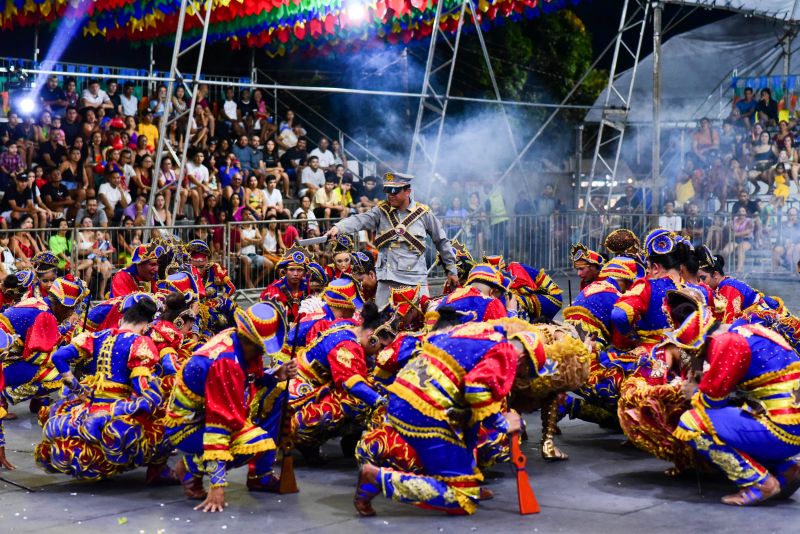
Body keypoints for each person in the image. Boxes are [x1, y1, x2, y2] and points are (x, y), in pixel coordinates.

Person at [353, 321, 545, 516]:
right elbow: (476, 390)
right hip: (424, 408)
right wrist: (502, 423)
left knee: (467, 431)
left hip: (403, 395)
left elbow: (472, 415)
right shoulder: (506, 353)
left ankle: (465, 479)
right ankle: (377, 479)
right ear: (522, 360)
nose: (520, 377)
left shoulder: (483, 333)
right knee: (463, 498)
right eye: (525, 373)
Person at [670, 290, 800, 506]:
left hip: (784, 429)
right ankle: (786, 468)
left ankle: (759, 483)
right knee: (739, 412)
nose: (696, 359)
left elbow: (711, 401)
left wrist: (693, 390)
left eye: (695, 353)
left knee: (692, 421)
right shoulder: (746, 330)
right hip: (791, 424)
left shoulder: (727, 343)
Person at [165, 302, 296, 512]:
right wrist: (218, 486)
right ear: (253, 343)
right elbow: (218, 425)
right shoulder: (226, 362)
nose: (262, 354)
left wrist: (277, 374)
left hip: (208, 414)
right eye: (262, 348)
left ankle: (255, 475)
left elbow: (252, 378)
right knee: (254, 441)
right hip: (188, 425)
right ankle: (192, 466)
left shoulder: (235, 339)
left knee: (278, 393)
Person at [35, 294, 178, 484]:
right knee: (168, 413)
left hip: (90, 404)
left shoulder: (97, 336)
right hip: (118, 407)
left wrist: (76, 387)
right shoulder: (141, 342)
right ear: (146, 325)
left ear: (122, 318)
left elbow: (58, 357)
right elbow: (140, 386)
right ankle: (158, 470)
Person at [327, 173, 458, 308]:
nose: (390, 195)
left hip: (415, 280)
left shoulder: (423, 213)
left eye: (395, 191)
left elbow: (442, 241)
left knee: (422, 322)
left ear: (408, 191)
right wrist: (339, 227)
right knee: (381, 324)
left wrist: (451, 271)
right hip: (387, 281)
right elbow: (360, 219)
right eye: (387, 191)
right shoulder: (381, 211)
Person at [260, 245, 310, 322]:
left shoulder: (309, 287)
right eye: (292, 270)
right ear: (285, 271)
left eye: (299, 270)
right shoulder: (274, 290)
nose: (295, 274)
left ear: (304, 273)